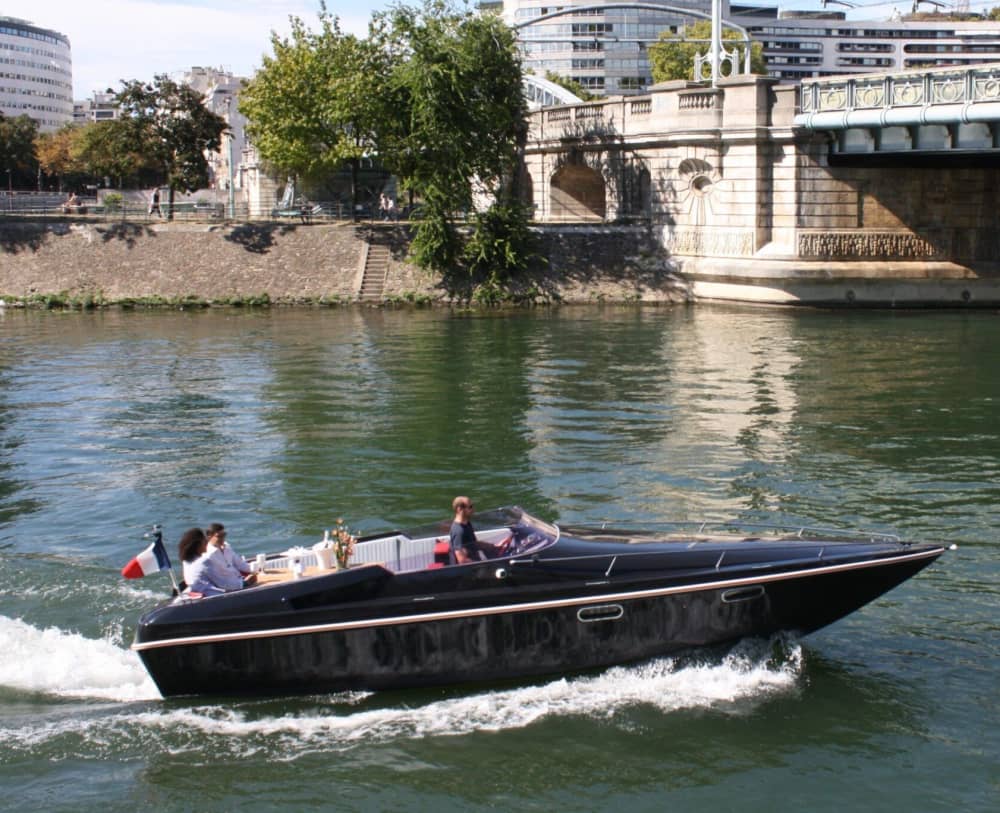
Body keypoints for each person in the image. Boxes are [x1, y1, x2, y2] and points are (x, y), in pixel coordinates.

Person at [177, 527, 246, 596]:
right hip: (212, 596)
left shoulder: (186, 561)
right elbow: (223, 584)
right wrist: (244, 583)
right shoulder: (203, 561)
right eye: (205, 541)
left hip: (197, 591)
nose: (207, 543)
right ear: (198, 545)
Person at [449, 496, 503, 564]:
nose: (473, 509)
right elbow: (462, 560)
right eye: (470, 507)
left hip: (474, 558)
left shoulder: (467, 523)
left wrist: (493, 546)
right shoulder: (458, 531)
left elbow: (474, 543)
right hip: (469, 568)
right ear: (459, 509)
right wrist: (484, 563)